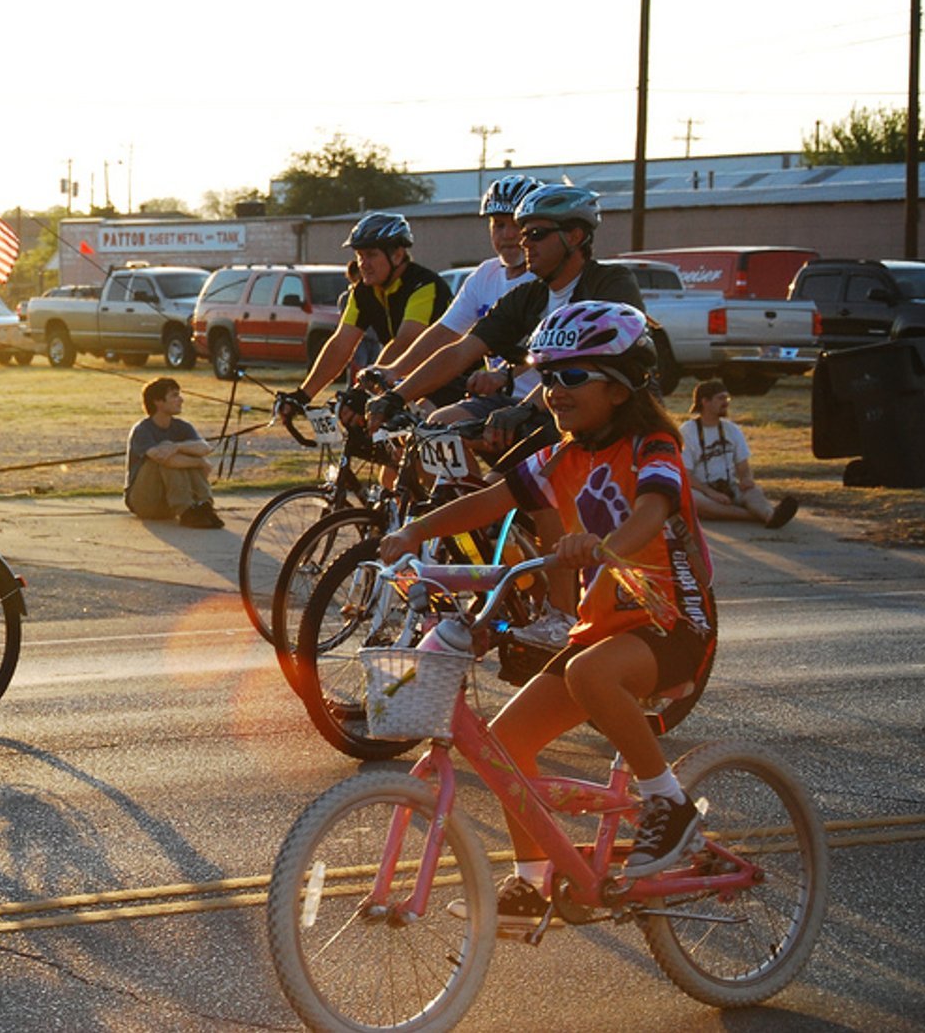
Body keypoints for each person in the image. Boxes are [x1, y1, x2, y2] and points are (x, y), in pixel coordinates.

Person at [379, 302, 716, 930]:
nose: (551, 391)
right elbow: (494, 498)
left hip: (673, 620)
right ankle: (532, 881)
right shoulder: (562, 456)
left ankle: (670, 805)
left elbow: (654, 509)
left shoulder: (654, 443)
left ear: (620, 384)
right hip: (604, 625)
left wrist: (607, 541)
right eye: (545, 376)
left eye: (569, 377)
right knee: (506, 745)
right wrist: (413, 534)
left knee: (591, 675)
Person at [361, 174, 544, 428]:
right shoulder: (485, 274)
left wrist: (504, 375)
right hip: (494, 397)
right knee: (422, 435)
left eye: (517, 224)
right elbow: (444, 333)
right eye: (499, 225)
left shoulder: (545, 277)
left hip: (538, 400)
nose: (509, 235)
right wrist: (394, 369)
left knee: (437, 427)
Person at [278, 213, 450, 419]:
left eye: (371, 255)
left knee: (424, 420)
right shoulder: (363, 291)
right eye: (359, 256)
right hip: (405, 376)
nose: (363, 264)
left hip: (452, 375)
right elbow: (341, 344)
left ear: (397, 254)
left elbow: (405, 342)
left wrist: (364, 390)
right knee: (371, 429)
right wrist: (304, 395)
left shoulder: (423, 285)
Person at [681, 379, 798, 529]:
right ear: (705, 402)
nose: (726, 403)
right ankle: (756, 516)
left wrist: (746, 479)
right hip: (702, 490)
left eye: (727, 398)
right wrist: (711, 493)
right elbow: (686, 474)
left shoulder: (732, 429)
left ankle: (769, 515)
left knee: (753, 492)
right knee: (693, 500)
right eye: (721, 398)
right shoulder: (687, 431)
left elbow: (743, 465)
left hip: (729, 487)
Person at [124, 376, 221, 527]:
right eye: (174, 395)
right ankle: (187, 511)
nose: (181, 400)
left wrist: (177, 447)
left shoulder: (182, 427)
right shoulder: (142, 430)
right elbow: (163, 458)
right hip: (145, 502)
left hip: (168, 506)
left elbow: (205, 448)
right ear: (158, 401)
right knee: (165, 456)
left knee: (181, 450)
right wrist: (199, 462)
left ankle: (204, 506)